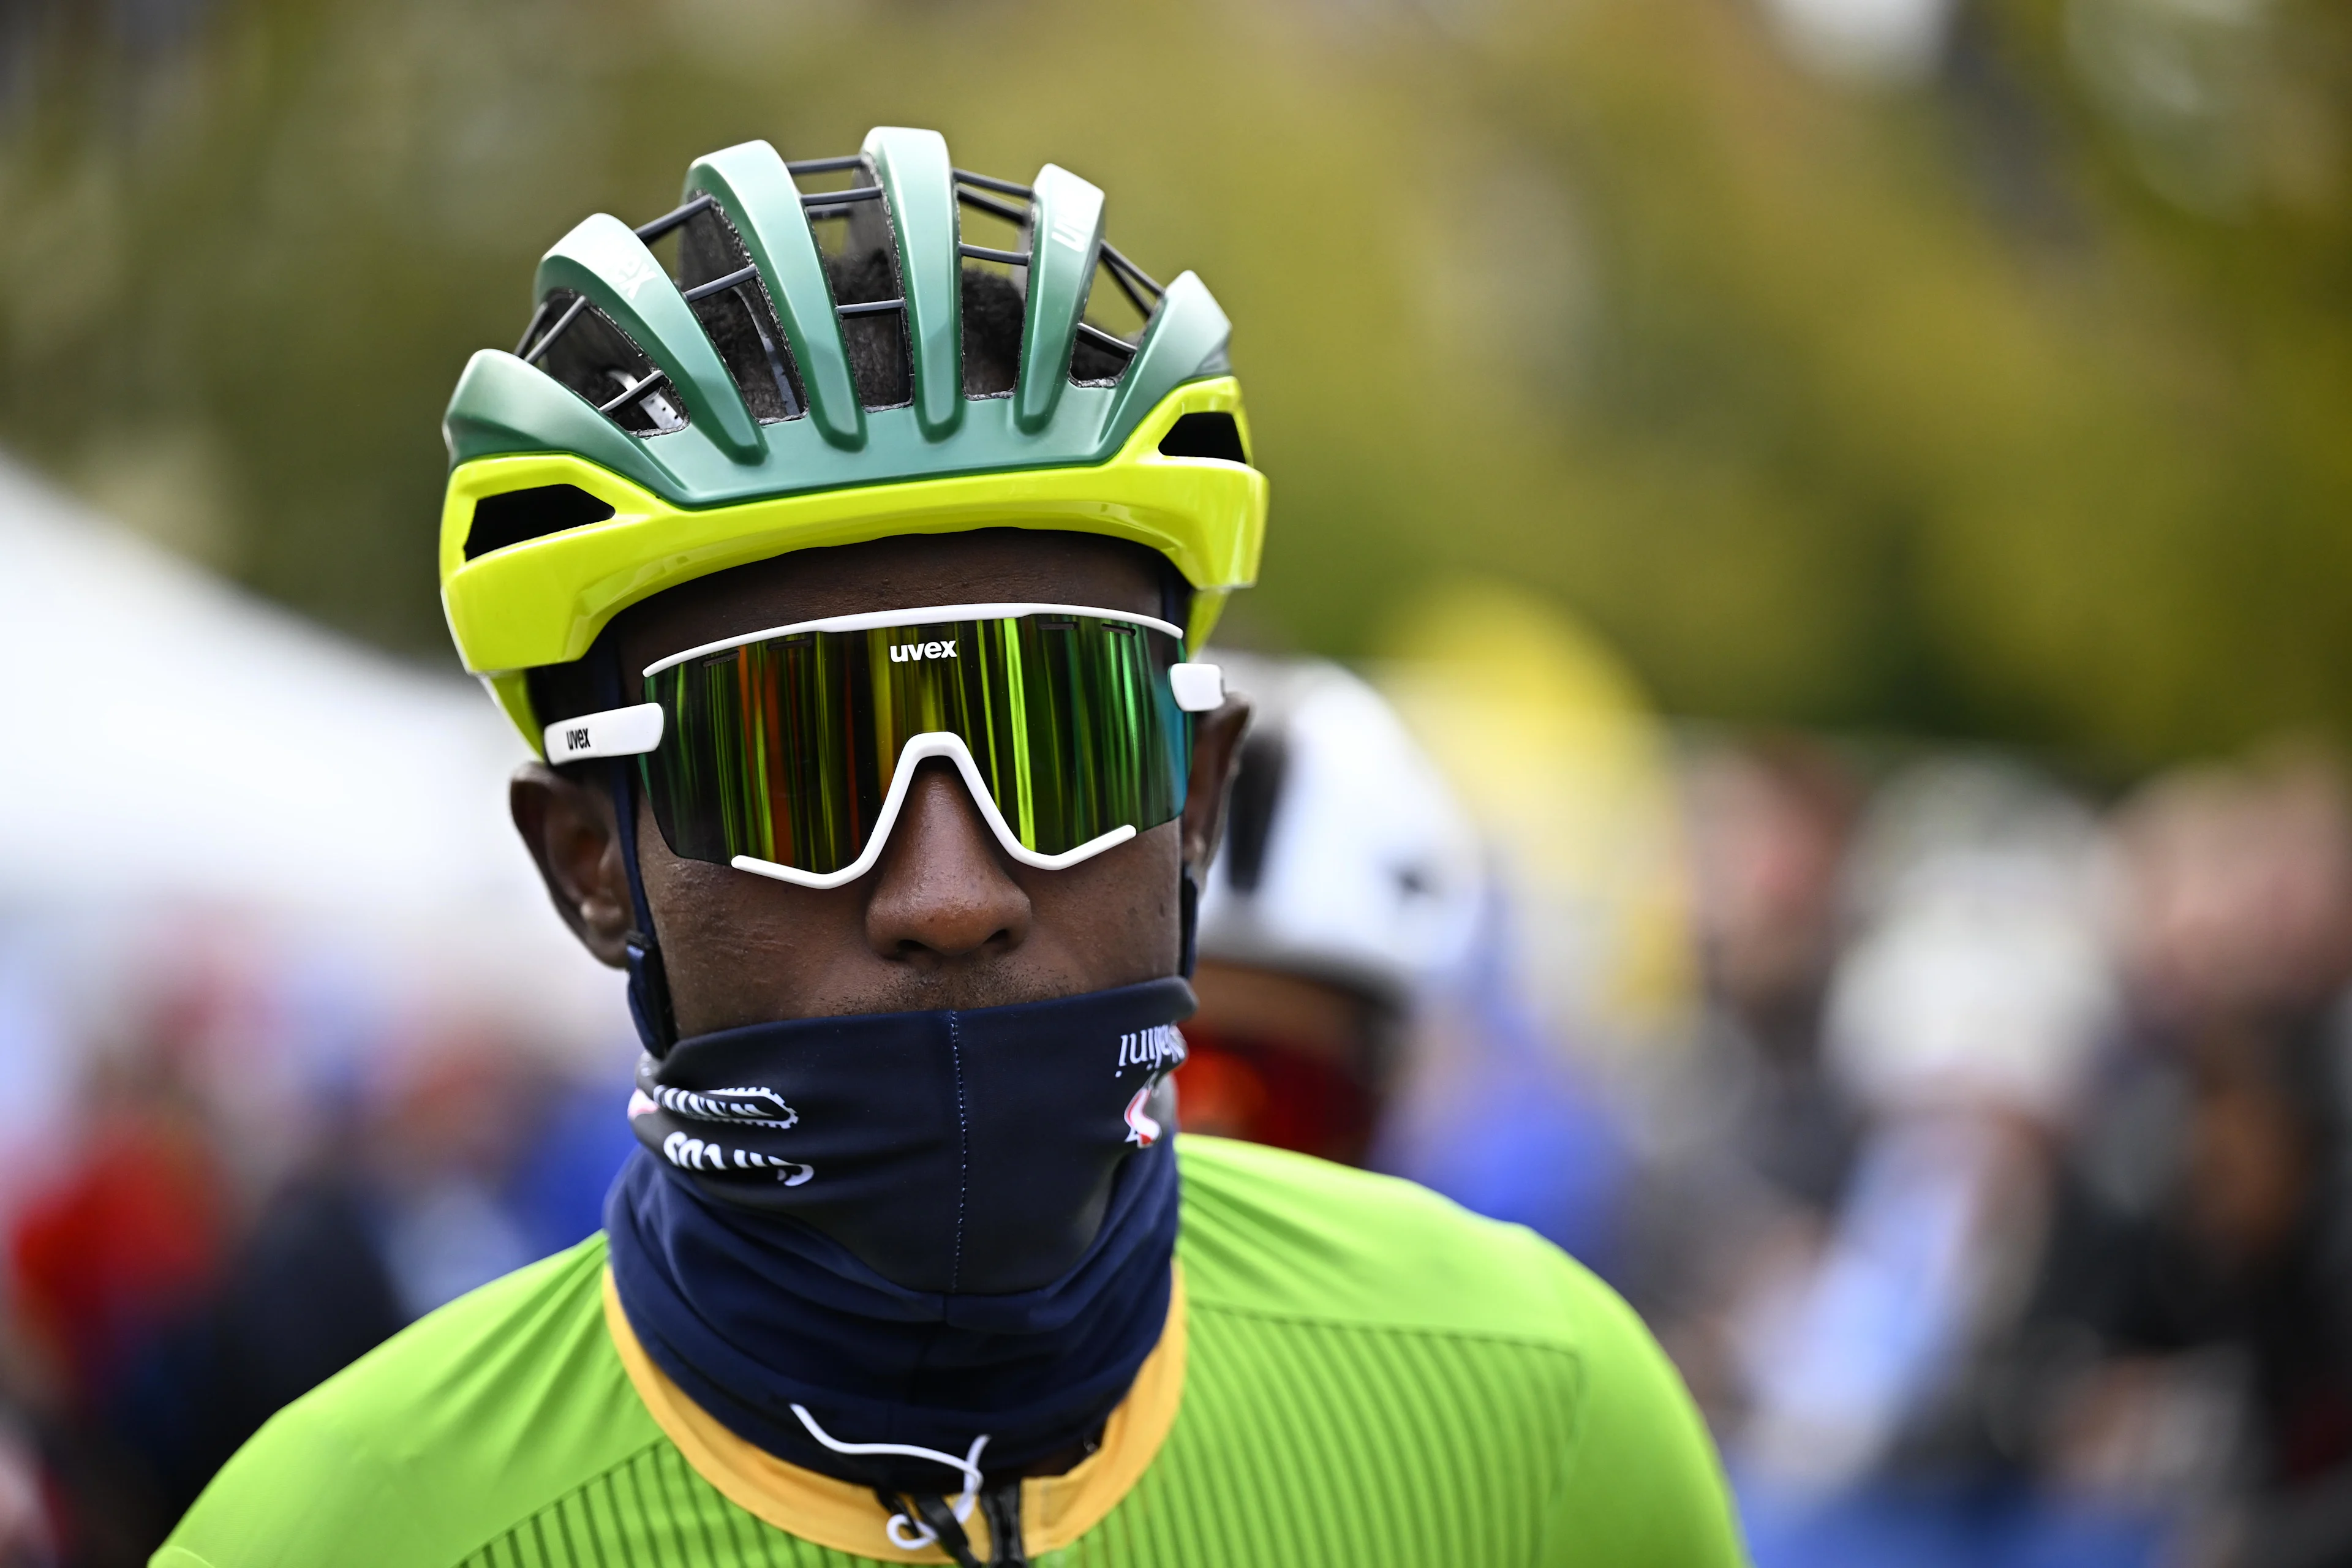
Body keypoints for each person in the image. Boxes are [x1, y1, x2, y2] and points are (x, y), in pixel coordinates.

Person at [155, 129, 1740, 1567]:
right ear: (586, 859)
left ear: (1198, 792)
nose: (952, 894)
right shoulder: (324, 1537)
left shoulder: (1550, 1423)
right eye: (793, 766)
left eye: (1055, 738)